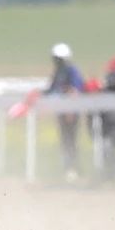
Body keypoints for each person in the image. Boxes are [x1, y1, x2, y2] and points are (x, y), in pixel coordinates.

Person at [46, 43, 85, 182]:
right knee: (65, 141)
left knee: (71, 141)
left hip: (71, 113)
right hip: (62, 112)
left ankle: (74, 169)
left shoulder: (71, 71)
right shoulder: (58, 73)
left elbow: (76, 90)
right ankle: (67, 168)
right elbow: (51, 90)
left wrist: (70, 109)